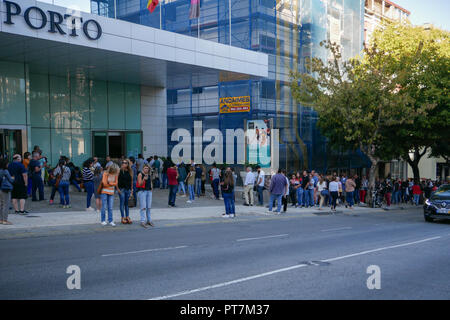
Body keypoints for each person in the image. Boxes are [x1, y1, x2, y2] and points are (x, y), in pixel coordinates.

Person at [136, 164, 154, 228]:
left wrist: (151, 187)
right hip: (142, 191)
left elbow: (150, 181)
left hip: (149, 191)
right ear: (143, 168)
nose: (146, 169)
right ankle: (142, 221)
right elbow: (140, 184)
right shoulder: (140, 174)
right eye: (145, 168)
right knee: (143, 207)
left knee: (148, 207)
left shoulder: (149, 174)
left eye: (147, 168)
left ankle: (149, 220)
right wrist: (144, 179)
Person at [118, 159, 133, 224]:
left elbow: (131, 181)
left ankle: (127, 216)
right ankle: (122, 217)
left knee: (127, 204)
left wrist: (132, 190)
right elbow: (116, 180)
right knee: (122, 203)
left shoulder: (130, 171)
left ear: (128, 164)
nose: (124, 164)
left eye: (125, 163)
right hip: (121, 189)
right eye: (123, 162)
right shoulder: (119, 170)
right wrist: (117, 189)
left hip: (128, 189)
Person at [0, 158, 14, 225]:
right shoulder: (5, 171)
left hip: (0, 189)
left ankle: (0, 219)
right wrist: (13, 178)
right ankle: (5, 220)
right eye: (7, 163)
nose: (8, 164)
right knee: (6, 204)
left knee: (1, 204)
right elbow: (11, 180)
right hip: (5, 189)